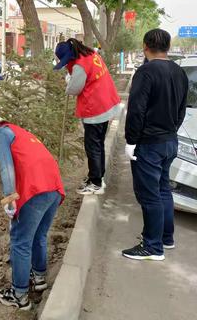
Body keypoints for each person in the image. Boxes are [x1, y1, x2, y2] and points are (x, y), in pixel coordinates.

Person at [0, 110, 65, 311]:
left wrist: (9, 197)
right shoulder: (18, 131)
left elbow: (6, 167)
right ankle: (40, 278)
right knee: (39, 236)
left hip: (35, 190)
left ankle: (19, 295)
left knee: (20, 242)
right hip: (53, 187)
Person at [122, 29, 188, 261]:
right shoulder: (179, 72)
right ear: (168, 46)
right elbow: (182, 108)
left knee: (149, 195)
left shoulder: (146, 72)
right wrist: (171, 131)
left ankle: (152, 246)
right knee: (163, 190)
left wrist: (131, 141)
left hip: (149, 144)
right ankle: (165, 238)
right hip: (170, 141)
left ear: (145, 46)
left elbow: (136, 111)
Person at [54, 38, 121, 195]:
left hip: (95, 108)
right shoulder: (91, 54)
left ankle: (96, 183)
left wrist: (68, 80)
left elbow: (74, 89)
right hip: (107, 103)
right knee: (98, 144)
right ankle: (97, 175)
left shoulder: (79, 66)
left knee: (92, 146)